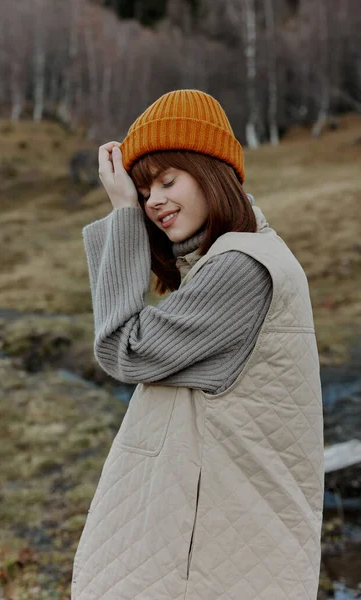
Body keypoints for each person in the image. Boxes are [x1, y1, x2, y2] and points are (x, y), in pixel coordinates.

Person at [71, 90, 324, 600]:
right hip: (212, 543)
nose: (153, 201)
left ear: (212, 172)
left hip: (209, 558)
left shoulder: (243, 266)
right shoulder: (233, 259)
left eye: (168, 181)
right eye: (142, 192)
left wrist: (121, 211)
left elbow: (125, 348)